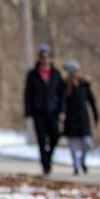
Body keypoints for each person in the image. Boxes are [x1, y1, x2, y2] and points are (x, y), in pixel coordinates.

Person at [23, 44, 65, 175]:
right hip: (38, 111)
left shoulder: (56, 74)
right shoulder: (33, 74)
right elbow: (28, 94)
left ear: (50, 58)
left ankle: (48, 157)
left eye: (47, 57)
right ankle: (45, 164)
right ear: (40, 58)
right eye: (43, 57)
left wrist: (62, 110)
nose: (45, 59)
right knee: (41, 138)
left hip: (53, 110)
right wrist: (28, 111)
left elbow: (61, 94)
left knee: (55, 135)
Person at [61, 60, 99, 175]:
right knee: (72, 144)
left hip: (83, 117)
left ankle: (82, 160)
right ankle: (76, 166)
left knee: (87, 142)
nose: (76, 73)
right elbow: (62, 102)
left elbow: (91, 101)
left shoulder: (84, 85)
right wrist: (62, 113)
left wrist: (96, 114)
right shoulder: (65, 86)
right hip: (71, 118)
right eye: (74, 71)